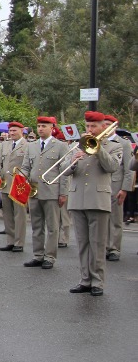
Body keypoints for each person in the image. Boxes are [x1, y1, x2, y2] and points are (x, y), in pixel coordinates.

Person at [62, 111, 122, 296]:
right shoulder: (76, 145)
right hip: (77, 199)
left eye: (93, 126)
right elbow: (64, 170)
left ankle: (97, 282)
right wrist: (73, 160)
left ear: (103, 127)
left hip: (98, 200)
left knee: (97, 244)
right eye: (87, 126)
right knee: (82, 243)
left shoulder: (114, 146)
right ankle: (85, 280)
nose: (89, 129)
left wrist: (97, 149)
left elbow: (112, 167)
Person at [21, 116, 68, 269]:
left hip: (51, 191)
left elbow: (64, 172)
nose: (40, 129)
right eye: (39, 126)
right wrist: (21, 177)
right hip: (34, 191)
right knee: (36, 226)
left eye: (44, 126)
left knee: (52, 227)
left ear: (52, 128)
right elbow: (26, 167)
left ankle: (50, 257)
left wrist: (63, 193)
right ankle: (38, 255)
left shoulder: (60, 146)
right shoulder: (31, 146)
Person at [103, 115, 133, 262]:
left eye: (108, 124)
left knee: (115, 219)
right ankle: (103, 247)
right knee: (102, 219)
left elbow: (129, 168)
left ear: (114, 126)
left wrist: (125, 189)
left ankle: (114, 248)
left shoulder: (124, 143)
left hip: (116, 186)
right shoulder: (99, 142)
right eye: (104, 124)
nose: (105, 127)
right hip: (101, 186)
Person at [0, 122, 28, 255]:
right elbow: (0, 163)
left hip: (19, 184)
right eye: (10, 131)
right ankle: (10, 240)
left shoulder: (27, 145)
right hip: (6, 183)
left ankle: (19, 242)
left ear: (22, 131)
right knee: (7, 214)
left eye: (14, 130)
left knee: (19, 215)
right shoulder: (4, 145)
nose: (11, 133)